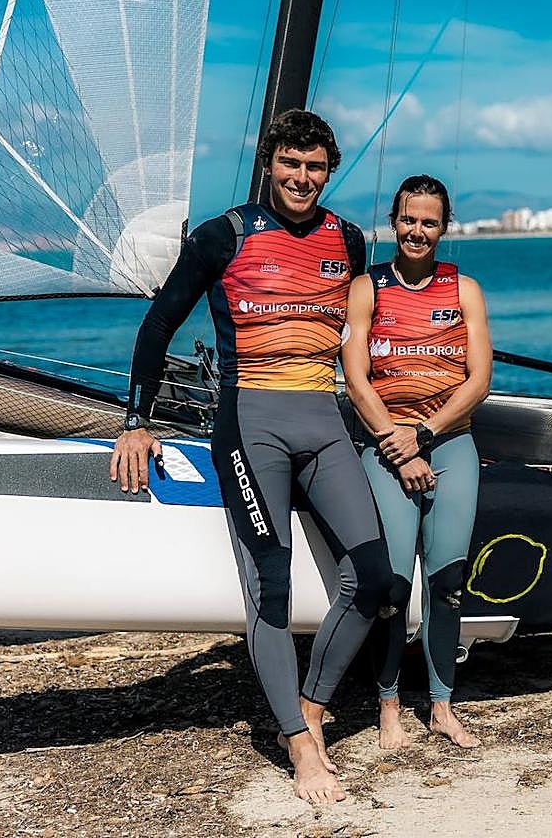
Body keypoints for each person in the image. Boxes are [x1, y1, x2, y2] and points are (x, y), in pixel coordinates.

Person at [109, 109, 391, 804]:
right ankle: (300, 746)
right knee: (272, 588)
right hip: (250, 425)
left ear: (329, 171)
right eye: (291, 164)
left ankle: (314, 708)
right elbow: (159, 324)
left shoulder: (347, 240)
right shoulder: (223, 235)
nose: (302, 177)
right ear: (270, 164)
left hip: (324, 422)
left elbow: (368, 339)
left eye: (315, 167)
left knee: (376, 577)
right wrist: (137, 422)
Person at [342, 175, 492, 750]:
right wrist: (395, 443)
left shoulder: (464, 291)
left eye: (429, 222)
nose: (417, 231)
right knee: (391, 585)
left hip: (450, 444)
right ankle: (387, 704)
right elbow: (356, 377)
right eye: (408, 220)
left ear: (443, 228)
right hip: (384, 447)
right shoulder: (367, 288)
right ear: (393, 221)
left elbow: (478, 380)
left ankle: (443, 705)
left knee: (448, 581)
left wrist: (424, 433)